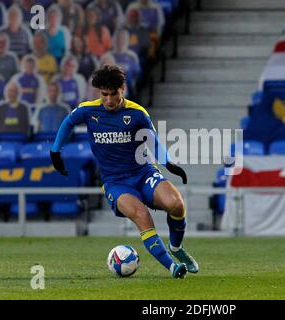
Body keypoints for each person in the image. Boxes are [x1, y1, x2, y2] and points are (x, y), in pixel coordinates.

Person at [50, 65, 199, 278]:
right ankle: (173, 267)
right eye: (104, 94)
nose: (109, 100)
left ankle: (176, 248)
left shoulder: (137, 113)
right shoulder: (88, 110)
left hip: (143, 173)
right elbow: (68, 123)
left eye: (113, 94)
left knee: (176, 204)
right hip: (115, 182)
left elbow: (153, 142)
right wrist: (55, 151)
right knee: (142, 216)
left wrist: (168, 163)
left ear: (123, 88)